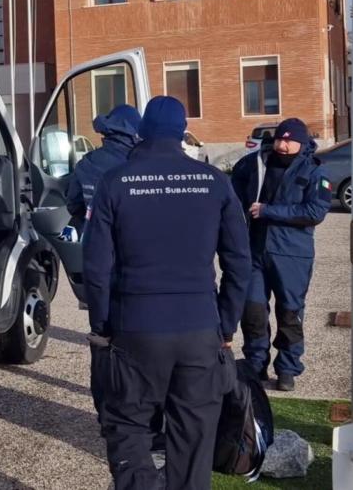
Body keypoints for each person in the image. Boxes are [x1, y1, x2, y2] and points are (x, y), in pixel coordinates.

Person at [83, 96, 251, 490]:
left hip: (135, 329)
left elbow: (96, 267)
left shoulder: (115, 181)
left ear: (142, 131)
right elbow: (239, 263)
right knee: (193, 440)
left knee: (128, 428)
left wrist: (102, 324)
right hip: (199, 329)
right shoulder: (215, 182)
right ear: (181, 132)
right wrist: (225, 325)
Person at [230, 117, 331, 392]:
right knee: (252, 312)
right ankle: (255, 364)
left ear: (302, 143)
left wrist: (268, 211)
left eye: (290, 141)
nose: (283, 145)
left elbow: (315, 212)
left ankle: (287, 368)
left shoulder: (314, 172)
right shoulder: (255, 164)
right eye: (280, 139)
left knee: (289, 313)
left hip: (292, 255)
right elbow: (232, 191)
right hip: (254, 252)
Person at [65, 104, 143, 237]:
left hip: (95, 239)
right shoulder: (141, 163)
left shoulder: (86, 163)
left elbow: (74, 205)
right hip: (133, 242)